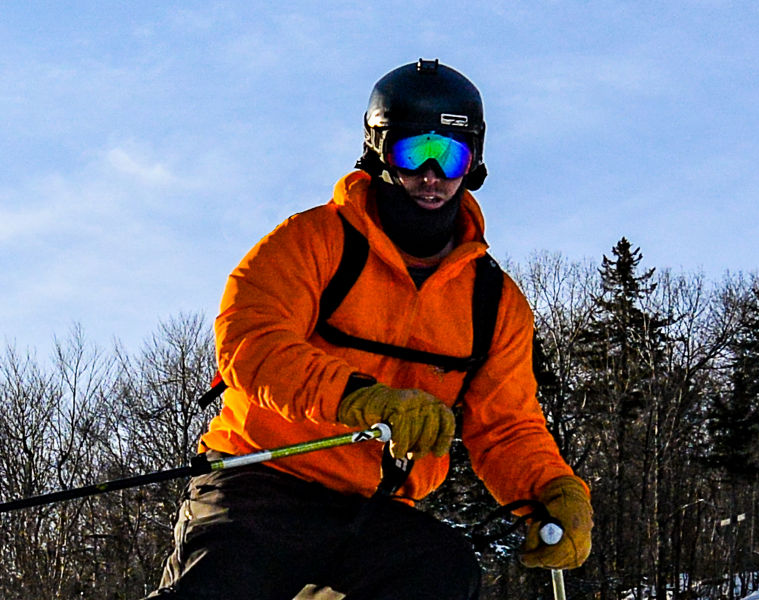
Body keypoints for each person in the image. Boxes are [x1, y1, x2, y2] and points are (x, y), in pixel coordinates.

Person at [146, 59, 592, 600]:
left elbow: (506, 425)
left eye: (448, 156)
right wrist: (362, 399)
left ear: (472, 164)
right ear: (379, 155)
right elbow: (251, 345)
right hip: (259, 486)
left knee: (443, 570)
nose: (430, 176)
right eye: (413, 153)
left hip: (376, 511)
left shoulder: (493, 301)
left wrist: (551, 489)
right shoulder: (310, 243)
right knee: (226, 577)